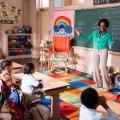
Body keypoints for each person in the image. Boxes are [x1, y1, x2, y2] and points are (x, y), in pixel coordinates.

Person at [75, 18, 114, 91]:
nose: (102, 27)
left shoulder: (108, 34)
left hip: (103, 50)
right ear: (99, 25)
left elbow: (109, 43)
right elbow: (87, 38)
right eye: (101, 25)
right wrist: (80, 34)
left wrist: (110, 46)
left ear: (106, 26)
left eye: (104, 25)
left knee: (103, 67)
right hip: (95, 50)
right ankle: (99, 84)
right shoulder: (95, 33)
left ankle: (106, 85)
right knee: (95, 67)